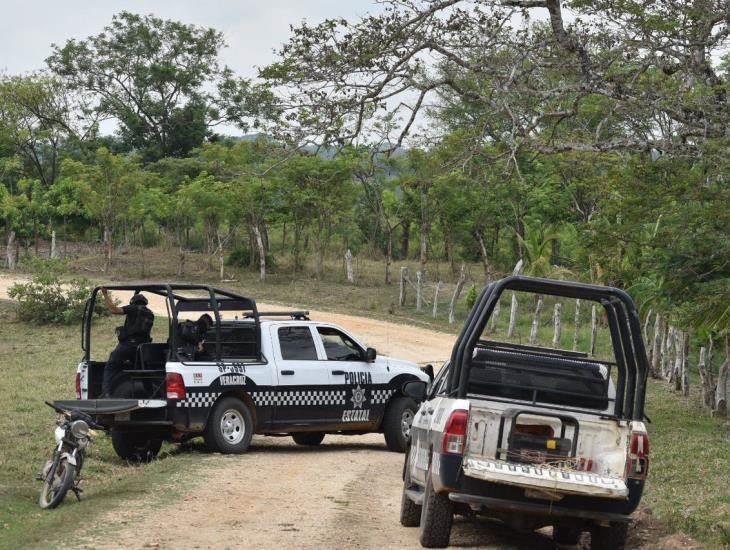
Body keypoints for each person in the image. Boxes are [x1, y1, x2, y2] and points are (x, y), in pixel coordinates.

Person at [100, 287, 155, 396]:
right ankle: (151, 394)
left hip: (128, 345)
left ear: (133, 303)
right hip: (142, 349)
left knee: (111, 366)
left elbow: (113, 310)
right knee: (143, 372)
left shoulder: (133, 309)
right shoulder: (150, 314)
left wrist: (105, 294)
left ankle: (106, 394)